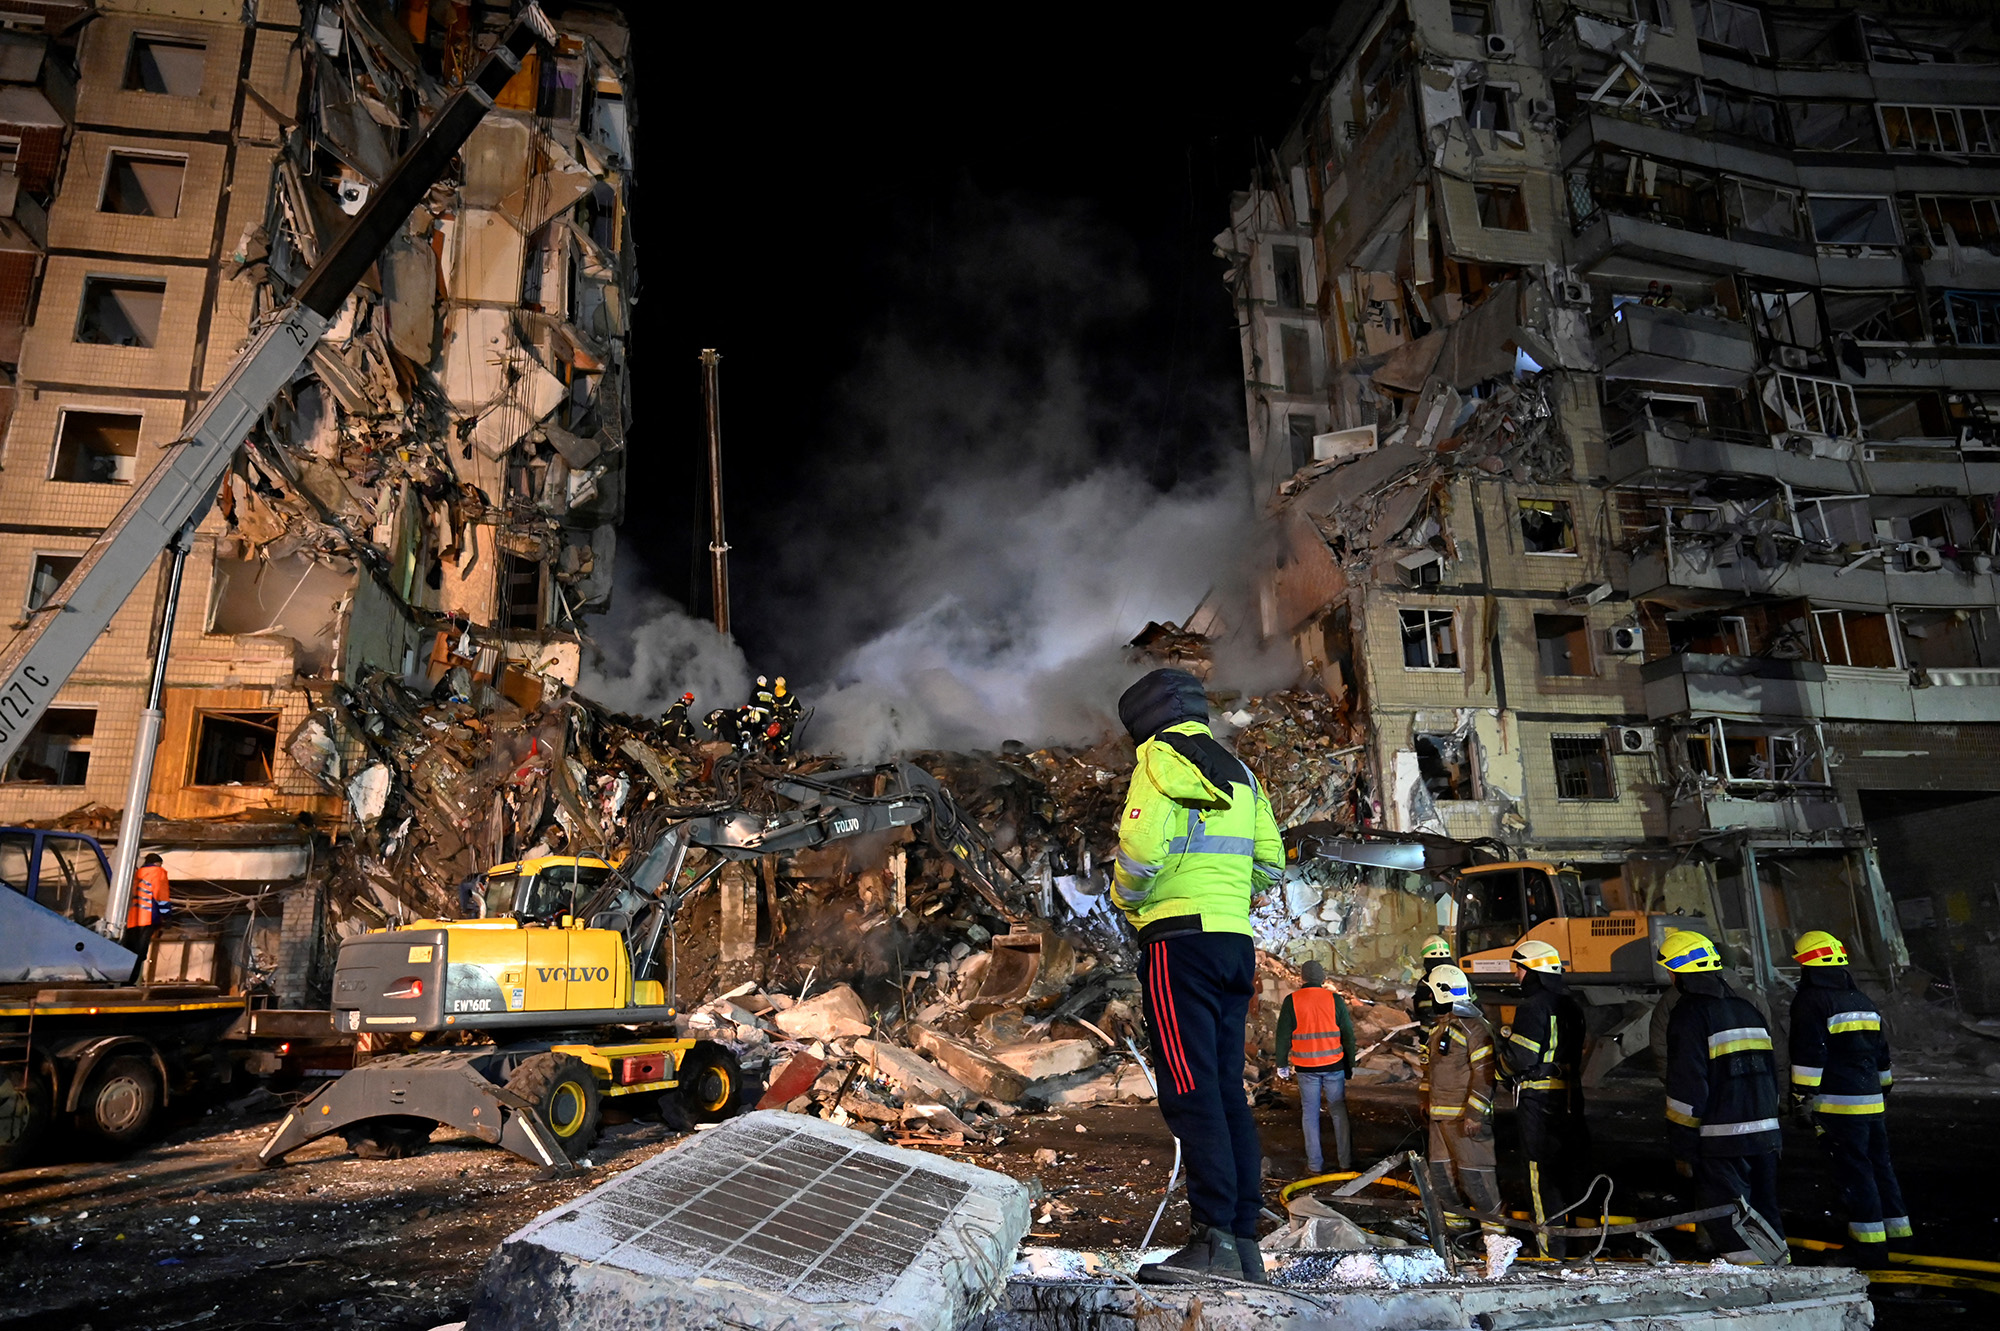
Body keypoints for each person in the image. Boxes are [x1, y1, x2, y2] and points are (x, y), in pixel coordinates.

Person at [1111, 667, 1283, 1285]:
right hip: (1234, 943)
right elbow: (1271, 859)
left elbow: (1139, 850)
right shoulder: (1238, 770)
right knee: (1225, 1092)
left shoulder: (1158, 759)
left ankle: (1212, 1242)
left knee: (1190, 1092)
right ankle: (1242, 1244)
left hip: (1177, 943)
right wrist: (1232, 898)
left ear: (1142, 719)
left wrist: (1131, 903)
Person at [1658, 928, 1785, 1263]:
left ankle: (1751, 1294)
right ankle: (1781, 1278)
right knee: (1764, 1216)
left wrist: (1683, 1147)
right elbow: (1770, 1074)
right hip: (1766, 1137)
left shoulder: (1689, 1015)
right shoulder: (1747, 1009)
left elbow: (1687, 1089)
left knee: (1730, 1222)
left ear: (1679, 974)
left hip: (1722, 1141)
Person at [1787, 930, 1908, 1263]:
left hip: (1839, 1106)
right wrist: (1881, 1089)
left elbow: (1809, 1054)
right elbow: (1881, 1056)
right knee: (1881, 1169)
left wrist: (1800, 1098)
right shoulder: (1861, 1001)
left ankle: (1868, 1248)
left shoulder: (1811, 1001)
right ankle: (1899, 1240)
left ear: (1807, 964)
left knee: (1854, 1174)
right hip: (1872, 1102)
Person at [1500, 939, 1591, 1257]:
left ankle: (1551, 1252)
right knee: (1571, 1171)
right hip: (1570, 1099)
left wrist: (1500, 1071)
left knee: (1541, 1176)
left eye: (1519, 969)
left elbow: (1518, 1059)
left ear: (1533, 971)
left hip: (1540, 1104)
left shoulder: (1533, 1007)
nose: (1516, 976)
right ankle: (1581, 1244)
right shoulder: (1572, 1005)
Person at [1419, 963, 1504, 1236]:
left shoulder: (1476, 1030)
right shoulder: (1439, 1029)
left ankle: (1495, 1238)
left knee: (1475, 1177)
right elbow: (1429, 1070)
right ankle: (1457, 1235)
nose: (1429, 999)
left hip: (1463, 1119)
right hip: (1440, 1119)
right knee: (1443, 1179)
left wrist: (1475, 1114)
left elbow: (1485, 1074)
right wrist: (1425, 1100)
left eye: (1433, 993)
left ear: (1443, 994)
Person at [1276, 958, 1359, 1175]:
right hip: (1334, 1065)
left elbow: (1283, 1035)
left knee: (1310, 1114)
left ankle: (1314, 1166)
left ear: (1302, 978)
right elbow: (1348, 1035)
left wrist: (1282, 1064)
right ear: (1323, 979)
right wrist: (1350, 1064)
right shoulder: (1335, 1000)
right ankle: (1345, 1163)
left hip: (1306, 1068)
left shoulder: (1291, 1001)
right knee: (1339, 1113)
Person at [125, 853, 171, 980]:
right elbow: (161, 896)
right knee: (140, 952)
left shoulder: (136, 873)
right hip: (148, 916)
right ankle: (131, 980)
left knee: (130, 950)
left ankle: (124, 977)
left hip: (131, 918)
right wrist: (167, 915)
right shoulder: (158, 872)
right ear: (157, 863)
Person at [1411, 934, 1455, 1026]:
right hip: (1468, 1027)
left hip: (1441, 1029)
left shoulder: (1426, 982)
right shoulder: (1462, 976)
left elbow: (1423, 1013)